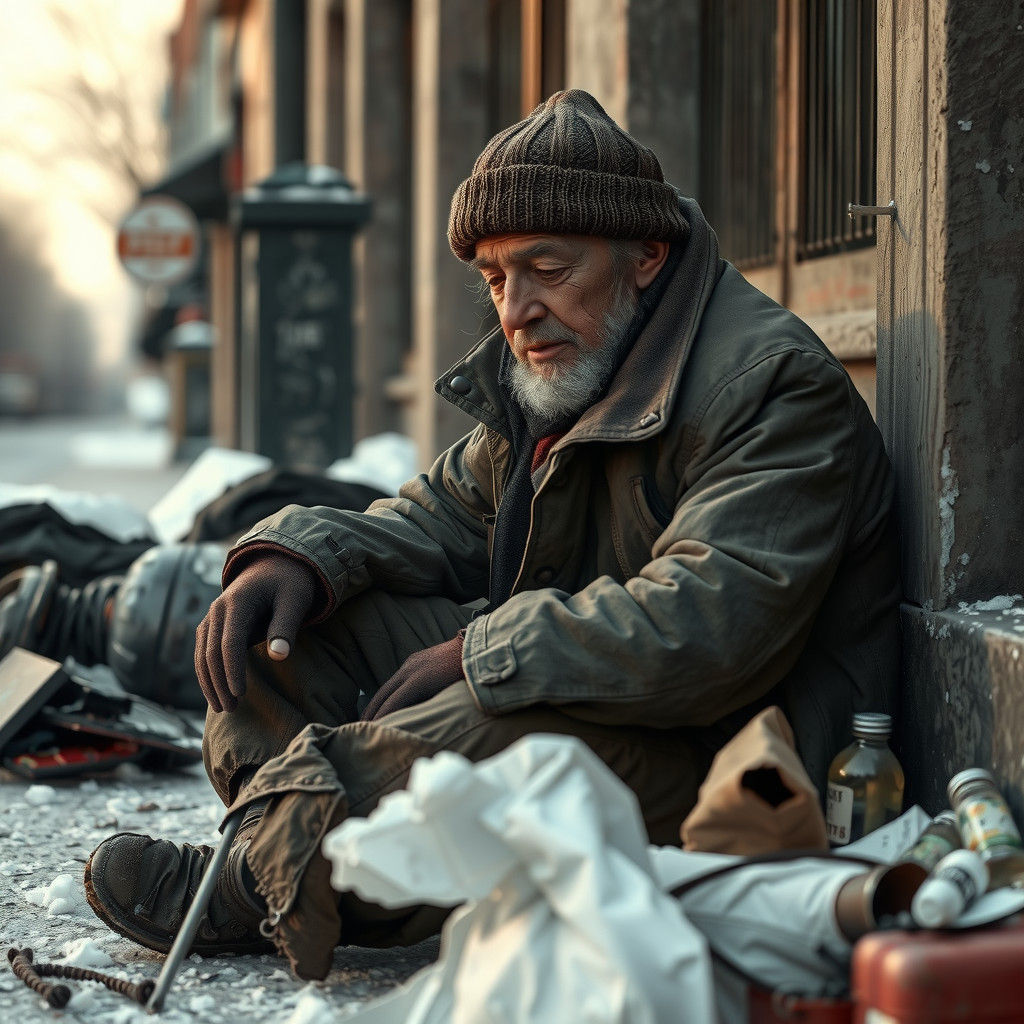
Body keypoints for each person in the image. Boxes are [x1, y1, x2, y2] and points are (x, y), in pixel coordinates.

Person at [83, 89, 900, 980]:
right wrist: (302, 556)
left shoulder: (770, 385)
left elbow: (710, 628)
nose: (516, 309)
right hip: (605, 691)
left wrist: (482, 650)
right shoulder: (575, 369)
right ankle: (291, 861)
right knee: (284, 631)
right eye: (495, 277)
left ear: (645, 258)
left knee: (496, 728)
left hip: (738, 751)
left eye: (548, 268)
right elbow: (436, 515)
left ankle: (260, 882)